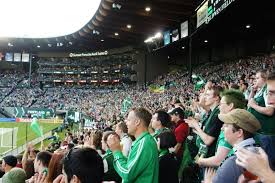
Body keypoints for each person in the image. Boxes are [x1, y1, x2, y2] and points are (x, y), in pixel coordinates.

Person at [107, 107, 159, 183]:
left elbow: (127, 173)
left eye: (128, 120)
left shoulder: (144, 143)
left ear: (137, 122)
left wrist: (116, 151)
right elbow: (130, 165)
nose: (126, 122)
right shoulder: (142, 141)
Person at [196, 90, 247, 167]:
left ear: (230, 106)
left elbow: (219, 160)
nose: (219, 106)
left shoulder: (231, 126)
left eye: (221, 104)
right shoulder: (236, 122)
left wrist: (200, 161)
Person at [211, 109, 261, 183]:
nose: (222, 129)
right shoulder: (257, 150)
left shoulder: (233, 162)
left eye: (227, 125)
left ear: (239, 132)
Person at [248, 70, 275, 170]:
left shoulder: (267, 90)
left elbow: (269, 111)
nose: (255, 80)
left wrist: (254, 106)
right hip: (260, 132)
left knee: (268, 165)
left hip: (266, 133)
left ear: (264, 78)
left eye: (257, 78)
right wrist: (252, 91)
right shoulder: (261, 90)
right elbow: (249, 103)